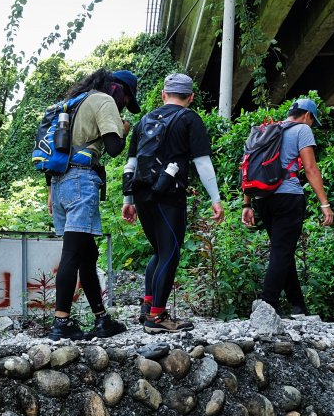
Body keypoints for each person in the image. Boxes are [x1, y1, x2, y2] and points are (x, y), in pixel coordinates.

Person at [121, 73, 224, 333]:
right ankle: (157, 317)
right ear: (190, 97)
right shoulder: (190, 119)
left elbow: (130, 164)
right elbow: (202, 162)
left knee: (160, 250)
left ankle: (147, 308)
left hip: (142, 194)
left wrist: (127, 199)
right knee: (170, 252)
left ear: (164, 95)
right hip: (169, 195)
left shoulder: (143, 121)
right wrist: (216, 198)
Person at [46, 69, 139, 341]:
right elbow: (112, 148)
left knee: (87, 254)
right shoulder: (104, 101)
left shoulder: (77, 101)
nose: (123, 105)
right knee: (72, 254)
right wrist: (122, 131)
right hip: (80, 181)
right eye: (126, 99)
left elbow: (59, 148)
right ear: (118, 90)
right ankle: (61, 323)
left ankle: (102, 320)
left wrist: (52, 189)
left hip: (60, 182)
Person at [241, 98, 334, 315]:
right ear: (307, 115)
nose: (311, 125)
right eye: (313, 121)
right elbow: (310, 168)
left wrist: (247, 204)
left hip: (263, 199)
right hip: (288, 197)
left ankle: (298, 306)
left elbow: (247, 168)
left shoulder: (266, 131)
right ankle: (267, 305)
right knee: (282, 250)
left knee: (284, 250)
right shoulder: (302, 130)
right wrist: (325, 204)